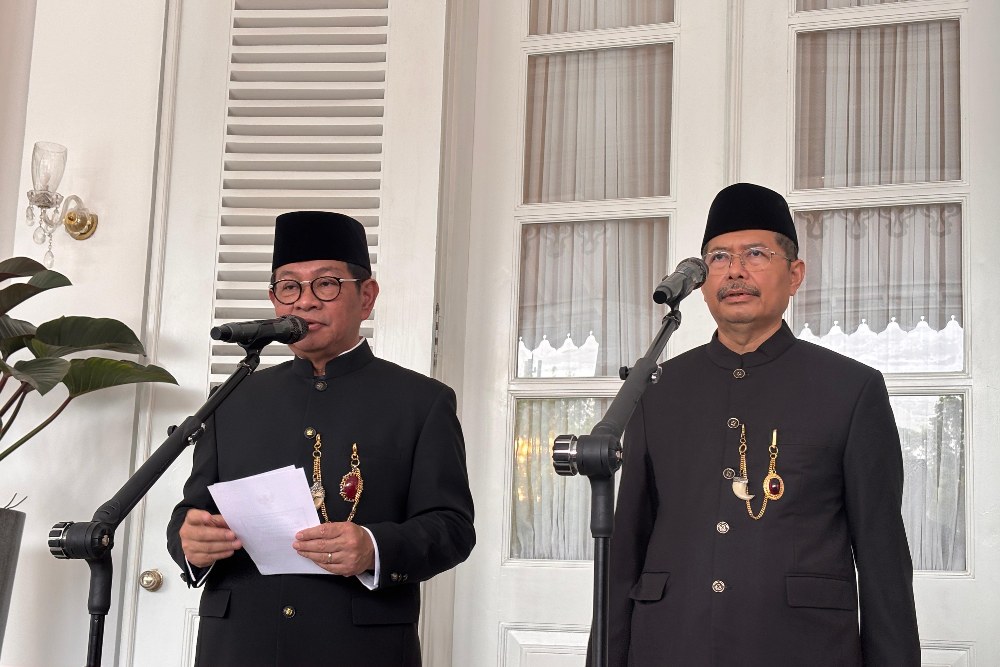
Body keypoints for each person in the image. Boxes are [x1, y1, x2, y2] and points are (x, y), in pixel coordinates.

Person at [606, 183, 920, 665]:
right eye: (718, 257)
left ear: (794, 275)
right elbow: (626, 547)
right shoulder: (657, 388)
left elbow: (883, 562)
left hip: (802, 648)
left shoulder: (851, 390)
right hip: (671, 644)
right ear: (702, 281)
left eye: (756, 253)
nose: (735, 270)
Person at [167, 210, 476, 667]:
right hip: (238, 646)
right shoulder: (231, 398)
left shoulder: (421, 401)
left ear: (366, 297)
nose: (306, 302)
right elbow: (193, 511)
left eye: (326, 284)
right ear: (274, 300)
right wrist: (189, 541)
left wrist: (373, 546)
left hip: (358, 649)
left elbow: (452, 528)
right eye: (289, 287)